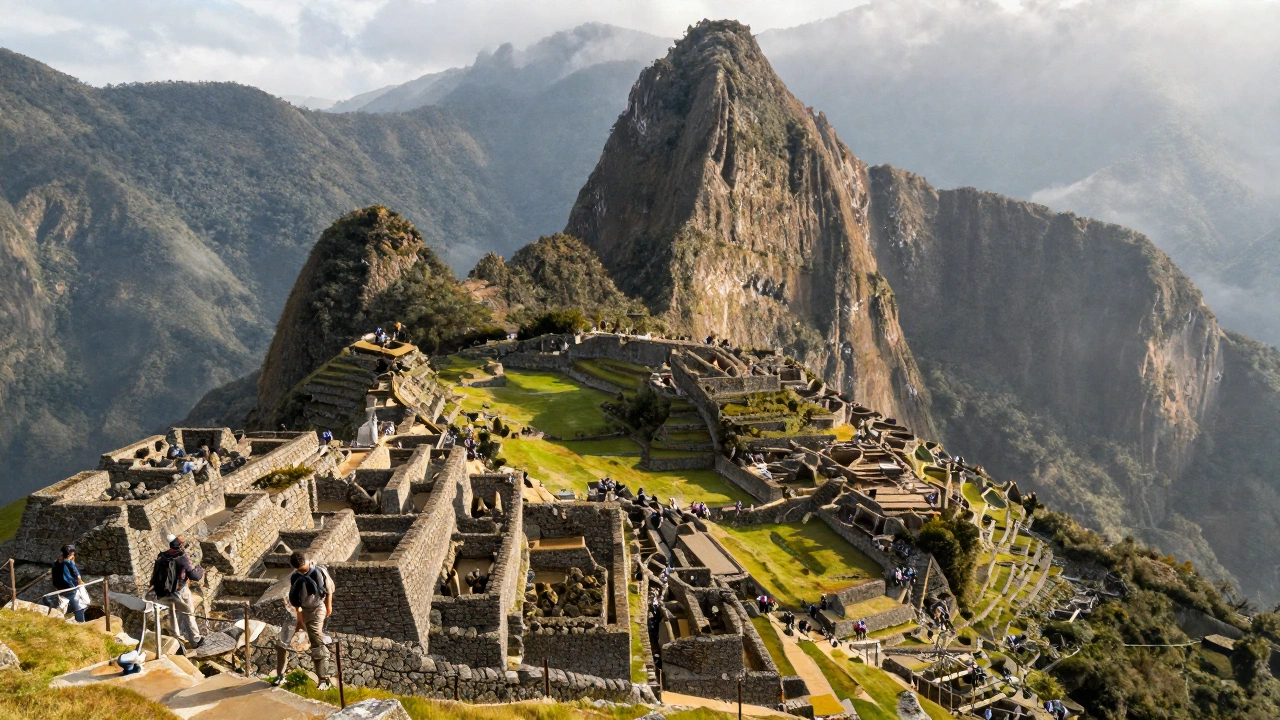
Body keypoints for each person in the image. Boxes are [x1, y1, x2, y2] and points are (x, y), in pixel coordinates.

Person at [275, 551, 335, 688]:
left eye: (303, 568)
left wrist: (328, 606)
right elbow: (297, 603)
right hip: (303, 610)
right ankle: (280, 675)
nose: (302, 571)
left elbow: (329, 589)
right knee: (282, 642)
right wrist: (299, 620)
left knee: (316, 641)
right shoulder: (296, 577)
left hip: (318, 607)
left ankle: (324, 679)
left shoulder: (319, 571)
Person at [149, 536, 204, 647]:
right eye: (182, 543)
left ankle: (177, 640)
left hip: (166, 592)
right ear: (179, 545)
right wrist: (200, 568)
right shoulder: (182, 557)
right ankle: (195, 639)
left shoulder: (162, 556)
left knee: (173, 614)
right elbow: (194, 576)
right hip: (180, 589)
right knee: (188, 612)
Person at [51, 545, 87, 622]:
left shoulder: (56, 563)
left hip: (60, 588)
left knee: (63, 604)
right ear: (69, 555)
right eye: (72, 554)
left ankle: (57, 620)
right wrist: (80, 582)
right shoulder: (68, 563)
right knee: (79, 606)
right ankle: (80, 622)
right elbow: (76, 574)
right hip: (70, 587)